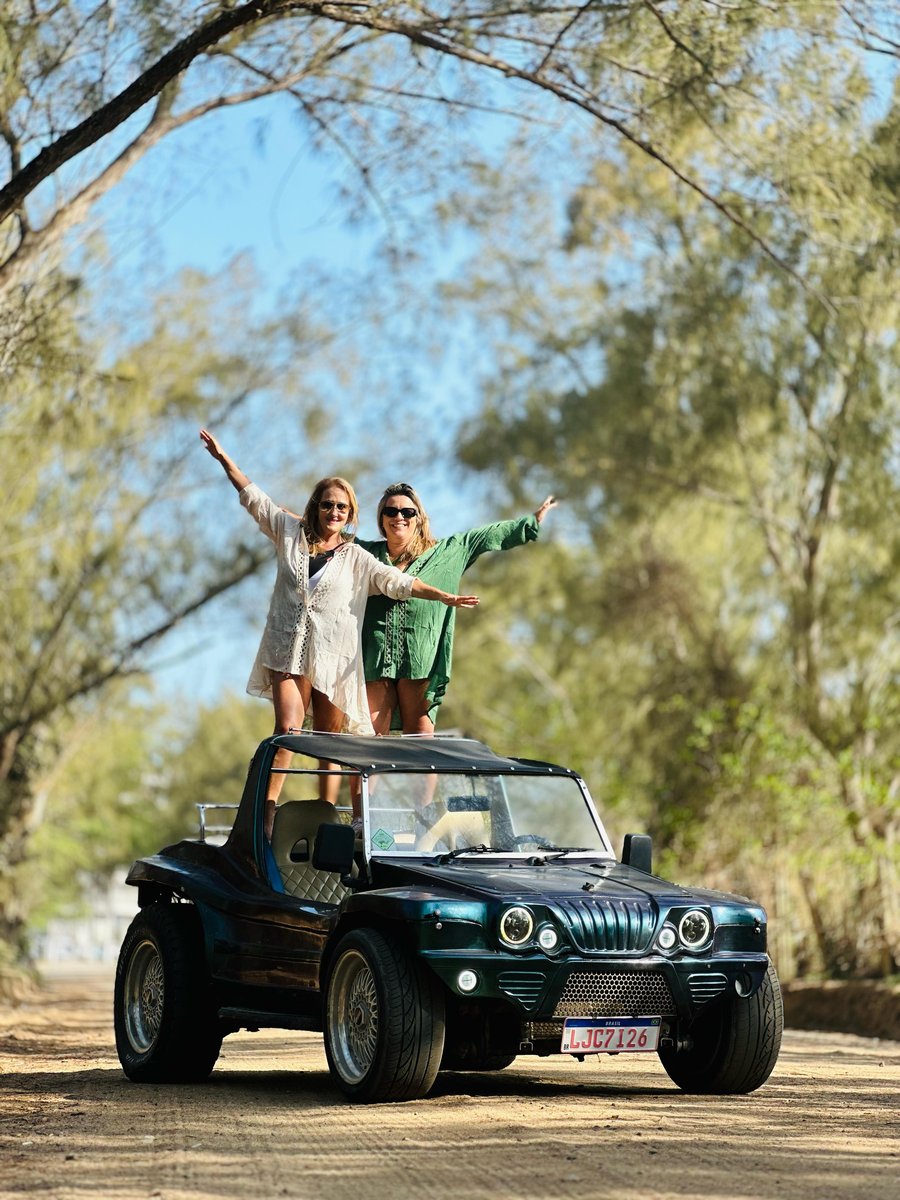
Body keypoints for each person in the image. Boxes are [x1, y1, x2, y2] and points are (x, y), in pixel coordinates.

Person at [199, 431, 479, 833]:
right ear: (316, 507)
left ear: (350, 515)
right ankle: (266, 813)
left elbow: (397, 582)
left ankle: (342, 819)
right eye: (328, 504)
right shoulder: (290, 534)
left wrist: (443, 597)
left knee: (332, 743)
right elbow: (254, 498)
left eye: (342, 507)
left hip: (332, 661)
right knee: (288, 730)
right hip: (287, 652)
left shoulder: (355, 556)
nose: (334, 511)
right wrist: (224, 459)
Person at [357, 483, 557, 734]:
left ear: (419, 518)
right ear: (381, 518)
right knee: (369, 740)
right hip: (375, 660)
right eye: (391, 511)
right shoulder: (363, 553)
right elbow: (328, 536)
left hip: (421, 660)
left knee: (419, 742)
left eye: (407, 512)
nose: (399, 517)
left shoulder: (449, 551)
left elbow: (486, 536)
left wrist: (531, 522)